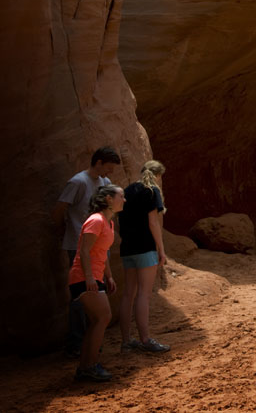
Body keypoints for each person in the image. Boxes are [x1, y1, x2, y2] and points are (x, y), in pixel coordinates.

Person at [52, 147, 121, 358]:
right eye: (108, 168)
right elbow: (59, 210)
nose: (109, 173)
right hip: (78, 244)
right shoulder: (78, 182)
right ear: (98, 162)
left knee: (96, 295)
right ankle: (76, 342)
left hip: (99, 245)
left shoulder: (104, 183)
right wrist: (64, 230)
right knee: (81, 296)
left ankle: (91, 341)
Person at [68, 183, 125, 382]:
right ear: (109, 199)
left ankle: (86, 366)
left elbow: (102, 253)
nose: (124, 200)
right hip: (83, 278)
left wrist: (108, 276)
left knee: (96, 321)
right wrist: (91, 277)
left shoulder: (108, 222)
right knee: (103, 317)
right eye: (121, 196)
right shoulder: (96, 220)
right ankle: (89, 366)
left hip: (94, 276)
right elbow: (84, 251)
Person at [118, 160, 170, 354]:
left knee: (128, 294)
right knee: (144, 294)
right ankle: (145, 339)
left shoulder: (128, 190)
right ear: (158, 175)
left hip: (127, 248)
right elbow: (153, 222)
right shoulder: (152, 191)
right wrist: (161, 249)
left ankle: (126, 341)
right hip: (145, 248)